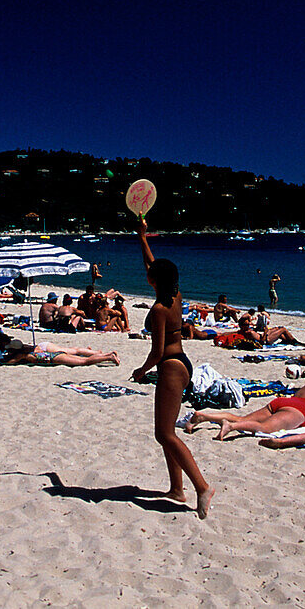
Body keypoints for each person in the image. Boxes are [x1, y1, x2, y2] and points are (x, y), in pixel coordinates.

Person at [130, 218, 214, 519]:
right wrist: (141, 237)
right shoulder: (174, 295)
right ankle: (177, 489)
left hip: (170, 366)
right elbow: (152, 265)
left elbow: (156, 350)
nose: (147, 273)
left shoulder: (159, 309)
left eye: (150, 274)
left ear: (155, 281)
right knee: (166, 430)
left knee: (165, 434)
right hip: (181, 362)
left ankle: (202, 487)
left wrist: (141, 370)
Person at [187, 354, 305, 440]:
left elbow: (299, 397)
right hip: (297, 411)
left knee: (243, 418)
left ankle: (204, 416)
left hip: (283, 402)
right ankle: (231, 427)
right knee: (265, 429)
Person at [2, 340, 119, 366]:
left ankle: (108, 357)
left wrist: (2, 361)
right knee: (82, 358)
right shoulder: (28, 350)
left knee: (84, 361)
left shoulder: (21, 355)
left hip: (53, 358)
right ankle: (106, 356)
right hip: (54, 355)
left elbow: (10, 362)